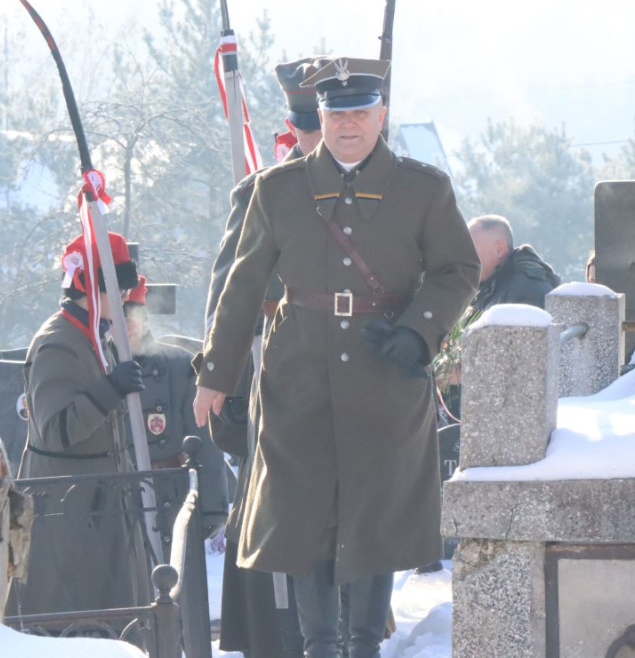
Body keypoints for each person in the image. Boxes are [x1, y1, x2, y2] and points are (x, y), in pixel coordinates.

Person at [194, 57, 481, 658]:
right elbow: (242, 285)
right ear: (319, 117)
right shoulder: (277, 189)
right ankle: (318, 644)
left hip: (387, 376)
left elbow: (458, 269)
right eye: (337, 114)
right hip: (296, 374)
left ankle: (363, 646)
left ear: (381, 116)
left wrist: (418, 332)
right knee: (304, 515)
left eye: (360, 113)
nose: (349, 125)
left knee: (374, 512)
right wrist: (215, 376)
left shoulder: (423, 188)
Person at [203, 55, 331, 658]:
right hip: (279, 386)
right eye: (309, 128)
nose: (318, 139)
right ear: (295, 129)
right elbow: (227, 297)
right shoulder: (261, 194)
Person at [15, 231, 150, 615]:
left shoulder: (95, 336)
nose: (127, 295)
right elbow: (57, 431)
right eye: (117, 286)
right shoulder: (58, 343)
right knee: (69, 616)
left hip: (99, 503)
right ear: (89, 287)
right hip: (68, 511)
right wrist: (110, 389)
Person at [123, 275, 230, 542]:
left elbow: (203, 438)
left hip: (172, 497)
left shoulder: (179, 365)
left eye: (131, 317)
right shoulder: (99, 368)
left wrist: (213, 510)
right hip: (122, 502)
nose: (126, 326)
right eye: (117, 319)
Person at [436, 215, 560, 424]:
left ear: (500, 249)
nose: (464, 258)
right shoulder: (488, 286)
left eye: (471, 249)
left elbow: (525, 361)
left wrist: (461, 372)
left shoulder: (528, 289)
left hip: (513, 421)